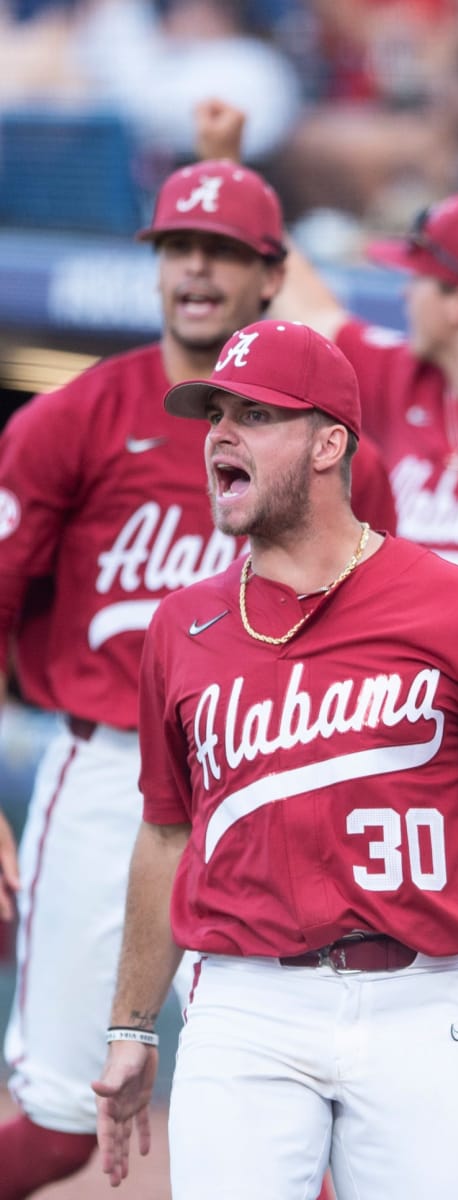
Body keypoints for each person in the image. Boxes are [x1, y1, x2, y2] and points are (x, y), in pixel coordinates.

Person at [91, 318, 458, 1197]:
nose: (221, 436)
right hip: (243, 1007)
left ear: (330, 444)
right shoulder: (180, 627)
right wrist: (132, 1028)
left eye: (255, 415)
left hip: (422, 1001)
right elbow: (166, 835)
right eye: (215, 416)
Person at [0, 152, 396, 1200]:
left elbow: (378, 635)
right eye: (178, 245)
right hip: (110, 777)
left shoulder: (329, 448)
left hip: (269, 783)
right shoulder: (72, 416)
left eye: (223, 250)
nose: (195, 268)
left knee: (304, 1104)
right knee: (54, 1122)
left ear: (273, 273)